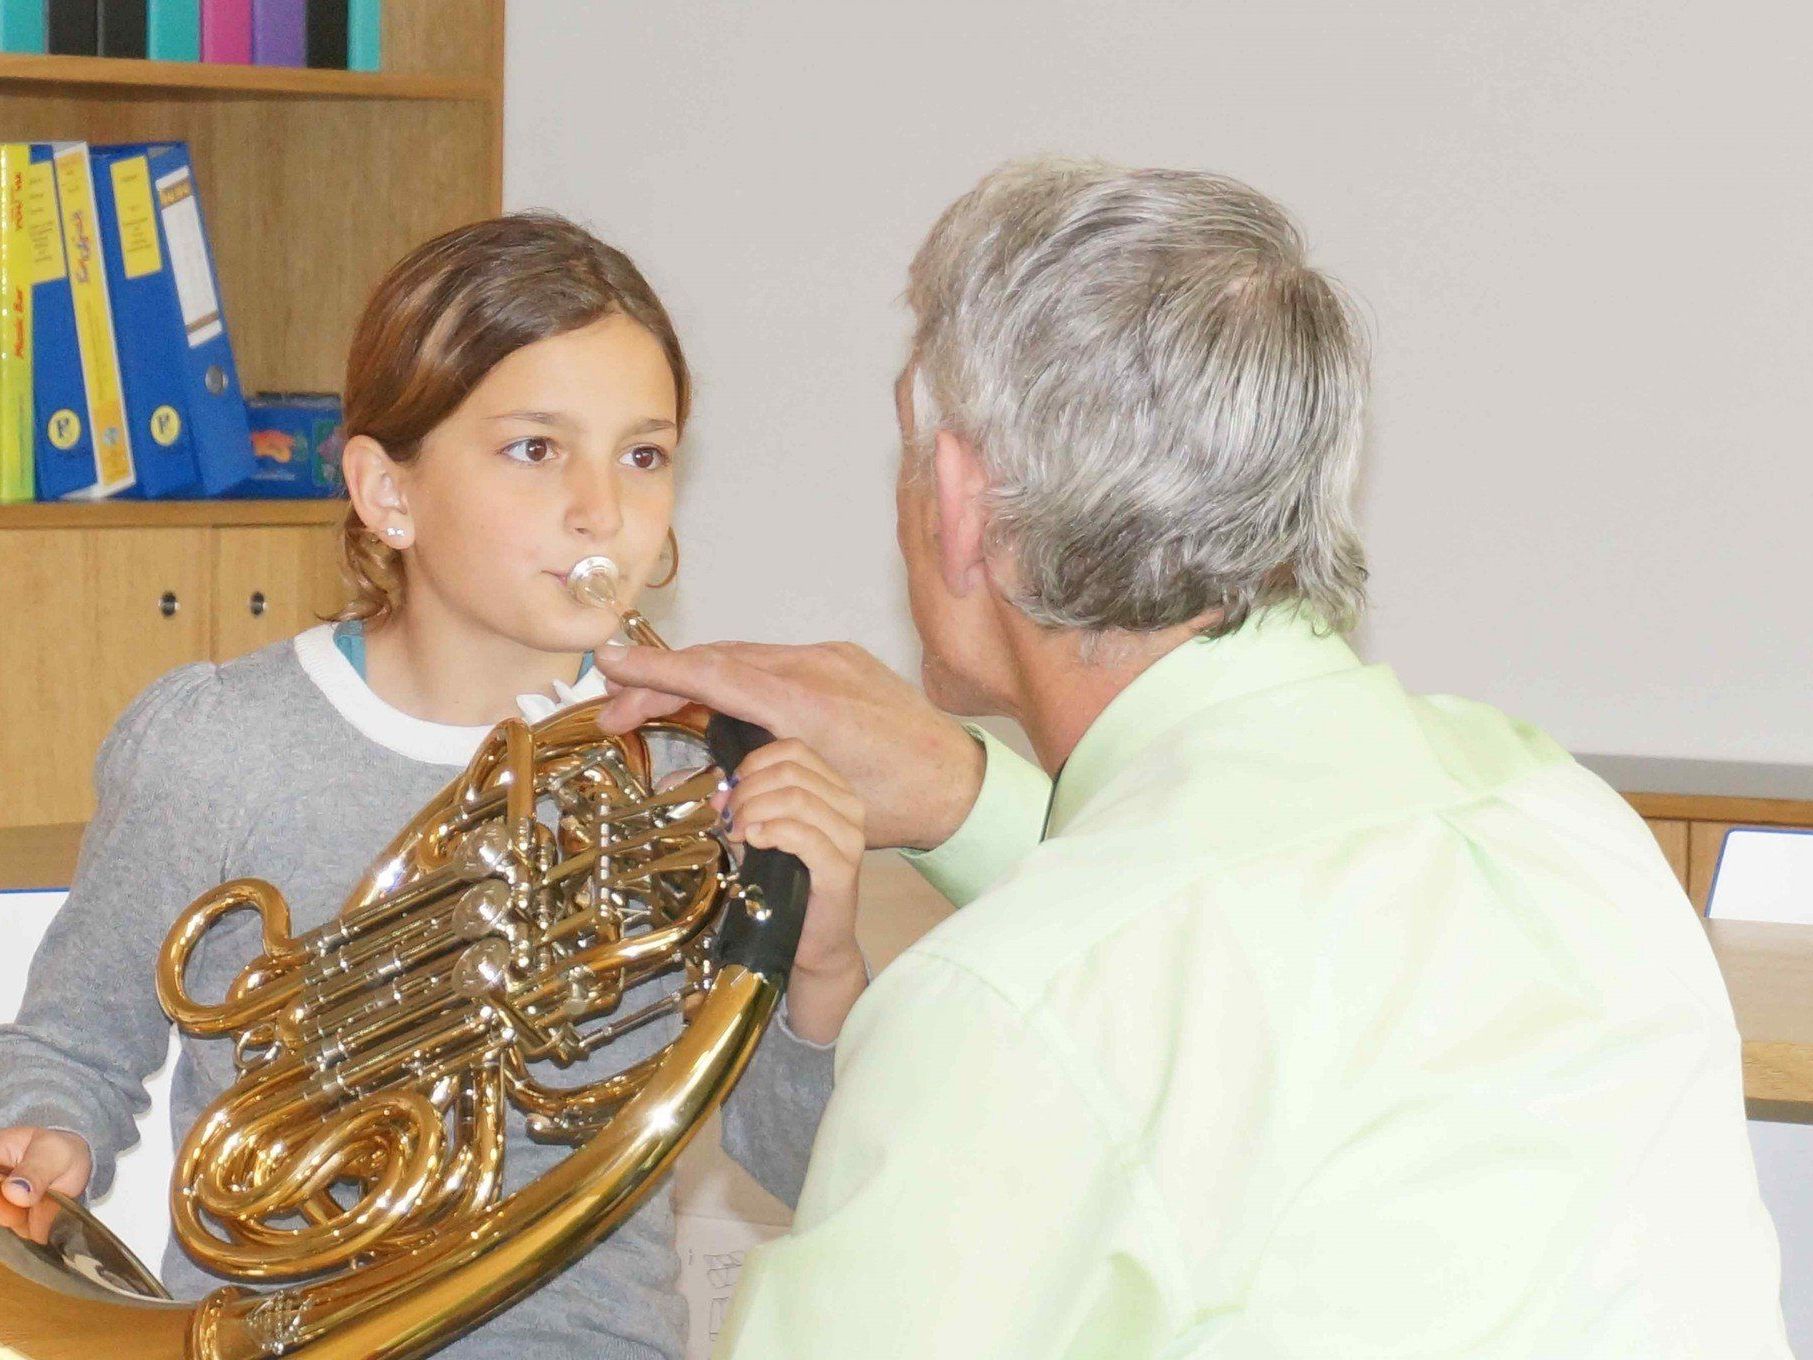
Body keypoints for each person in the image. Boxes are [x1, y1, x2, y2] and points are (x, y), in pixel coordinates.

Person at [594, 159, 1792, 1358]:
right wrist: (966, 793)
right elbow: (1239, 942)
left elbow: (1124, 983)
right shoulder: (1558, 815)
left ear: (962, 503)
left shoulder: (1017, 1008)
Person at [0, 212, 868, 1360]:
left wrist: (820, 964)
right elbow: (74, 1046)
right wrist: (45, 1129)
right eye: (536, 449)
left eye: (643, 455)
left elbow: (808, 1167)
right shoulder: (216, 746)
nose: (600, 508)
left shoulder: (687, 781)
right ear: (388, 492)